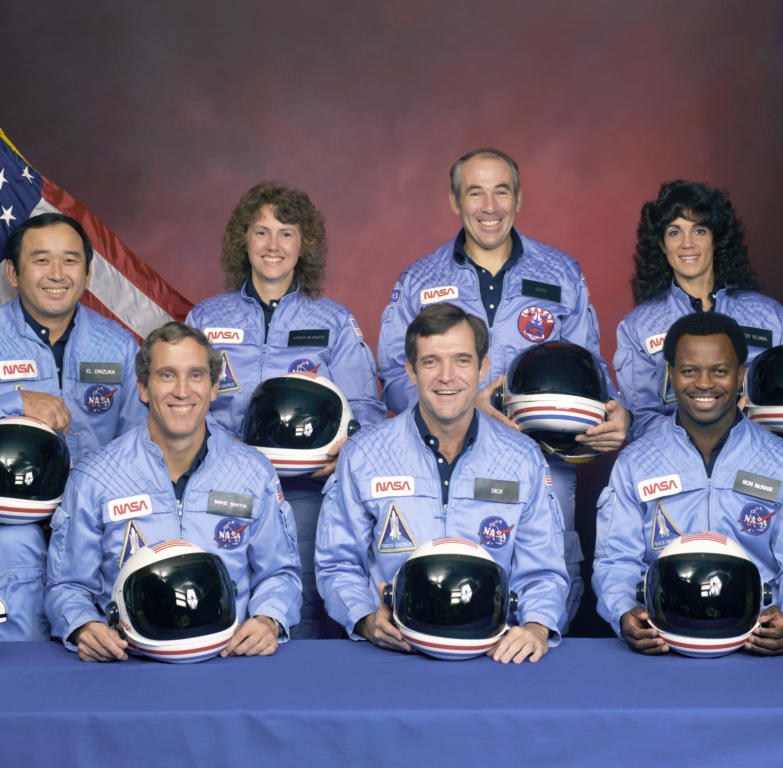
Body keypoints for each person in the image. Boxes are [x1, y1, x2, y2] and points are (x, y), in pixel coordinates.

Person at [376, 148, 627, 627]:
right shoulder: (419, 280)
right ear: (454, 201)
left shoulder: (562, 273)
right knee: (452, 594)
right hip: (441, 461)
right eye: (475, 192)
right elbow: (392, 376)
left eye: (501, 191)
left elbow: (591, 371)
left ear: (518, 199)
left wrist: (618, 415)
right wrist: (461, 408)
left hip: (545, 461)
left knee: (544, 598)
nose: (489, 206)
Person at [0, 213, 144, 641]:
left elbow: (143, 444)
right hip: (11, 521)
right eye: (41, 260)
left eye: (70, 261)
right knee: (13, 552)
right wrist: (14, 402)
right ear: (13, 273)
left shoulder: (117, 345)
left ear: (89, 273)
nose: (57, 274)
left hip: (96, 520)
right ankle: (16, 696)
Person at [186, 183, 385, 639]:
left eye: (287, 233)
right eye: (261, 232)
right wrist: (223, 450)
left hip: (305, 496)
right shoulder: (205, 318)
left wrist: (345, 452)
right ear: (243, 241)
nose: (273, 245)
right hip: (221, 490)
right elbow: (179, 402)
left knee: (306, 608)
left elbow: (367, 411)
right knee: (223, 604)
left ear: (304, 245)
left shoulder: (333, 321)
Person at [317, 304, 569, 663]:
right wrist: (364, 618)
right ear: (411, 370)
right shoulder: (364, 455)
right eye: (431, 362)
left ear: (483, 368)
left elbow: (543, 570)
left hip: (494, 655)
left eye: (462, 361)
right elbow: (337, 562)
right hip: (395, 653)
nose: (446, 376)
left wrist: (536, 627)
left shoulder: (522, 457)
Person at [44, 321, 302, 662]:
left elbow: (280, 573)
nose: (182, 391)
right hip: (130, 665)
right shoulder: (95, 477)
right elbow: (67, 586)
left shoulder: (253, 472)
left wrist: (270, 619)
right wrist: (82, 625)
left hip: (229, 661)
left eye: (196, 375)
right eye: (167, 375)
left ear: (213, 387)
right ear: (143, 388)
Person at [593, 312, 783, 655]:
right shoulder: (635, 462)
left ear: (740, 376)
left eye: (719, 371)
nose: (704, 384)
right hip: (663, 641)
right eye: (689, 371)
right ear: (671, 376)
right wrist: (621, 613)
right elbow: (616, 560)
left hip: (754, 641)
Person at [615, 179, 783, 442]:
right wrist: (705, 433)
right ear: (662, 244)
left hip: (759, 464)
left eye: (699, 230)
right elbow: (639, 421)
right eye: (674, 232)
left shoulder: (767, 315)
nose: (687, 243)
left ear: (716, 239)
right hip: (677, 472)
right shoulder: (639, 326)